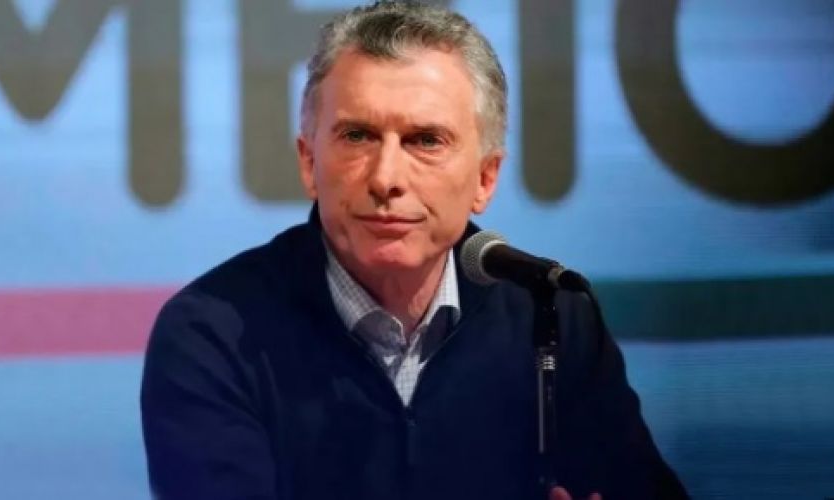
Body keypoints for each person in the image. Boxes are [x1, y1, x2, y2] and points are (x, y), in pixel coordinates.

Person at [140, 2, 688, 499]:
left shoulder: (550, 316)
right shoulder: (213, 333)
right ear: (309, 163)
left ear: (485, 178)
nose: (386, 178)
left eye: (425, 141)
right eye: (358, 136)